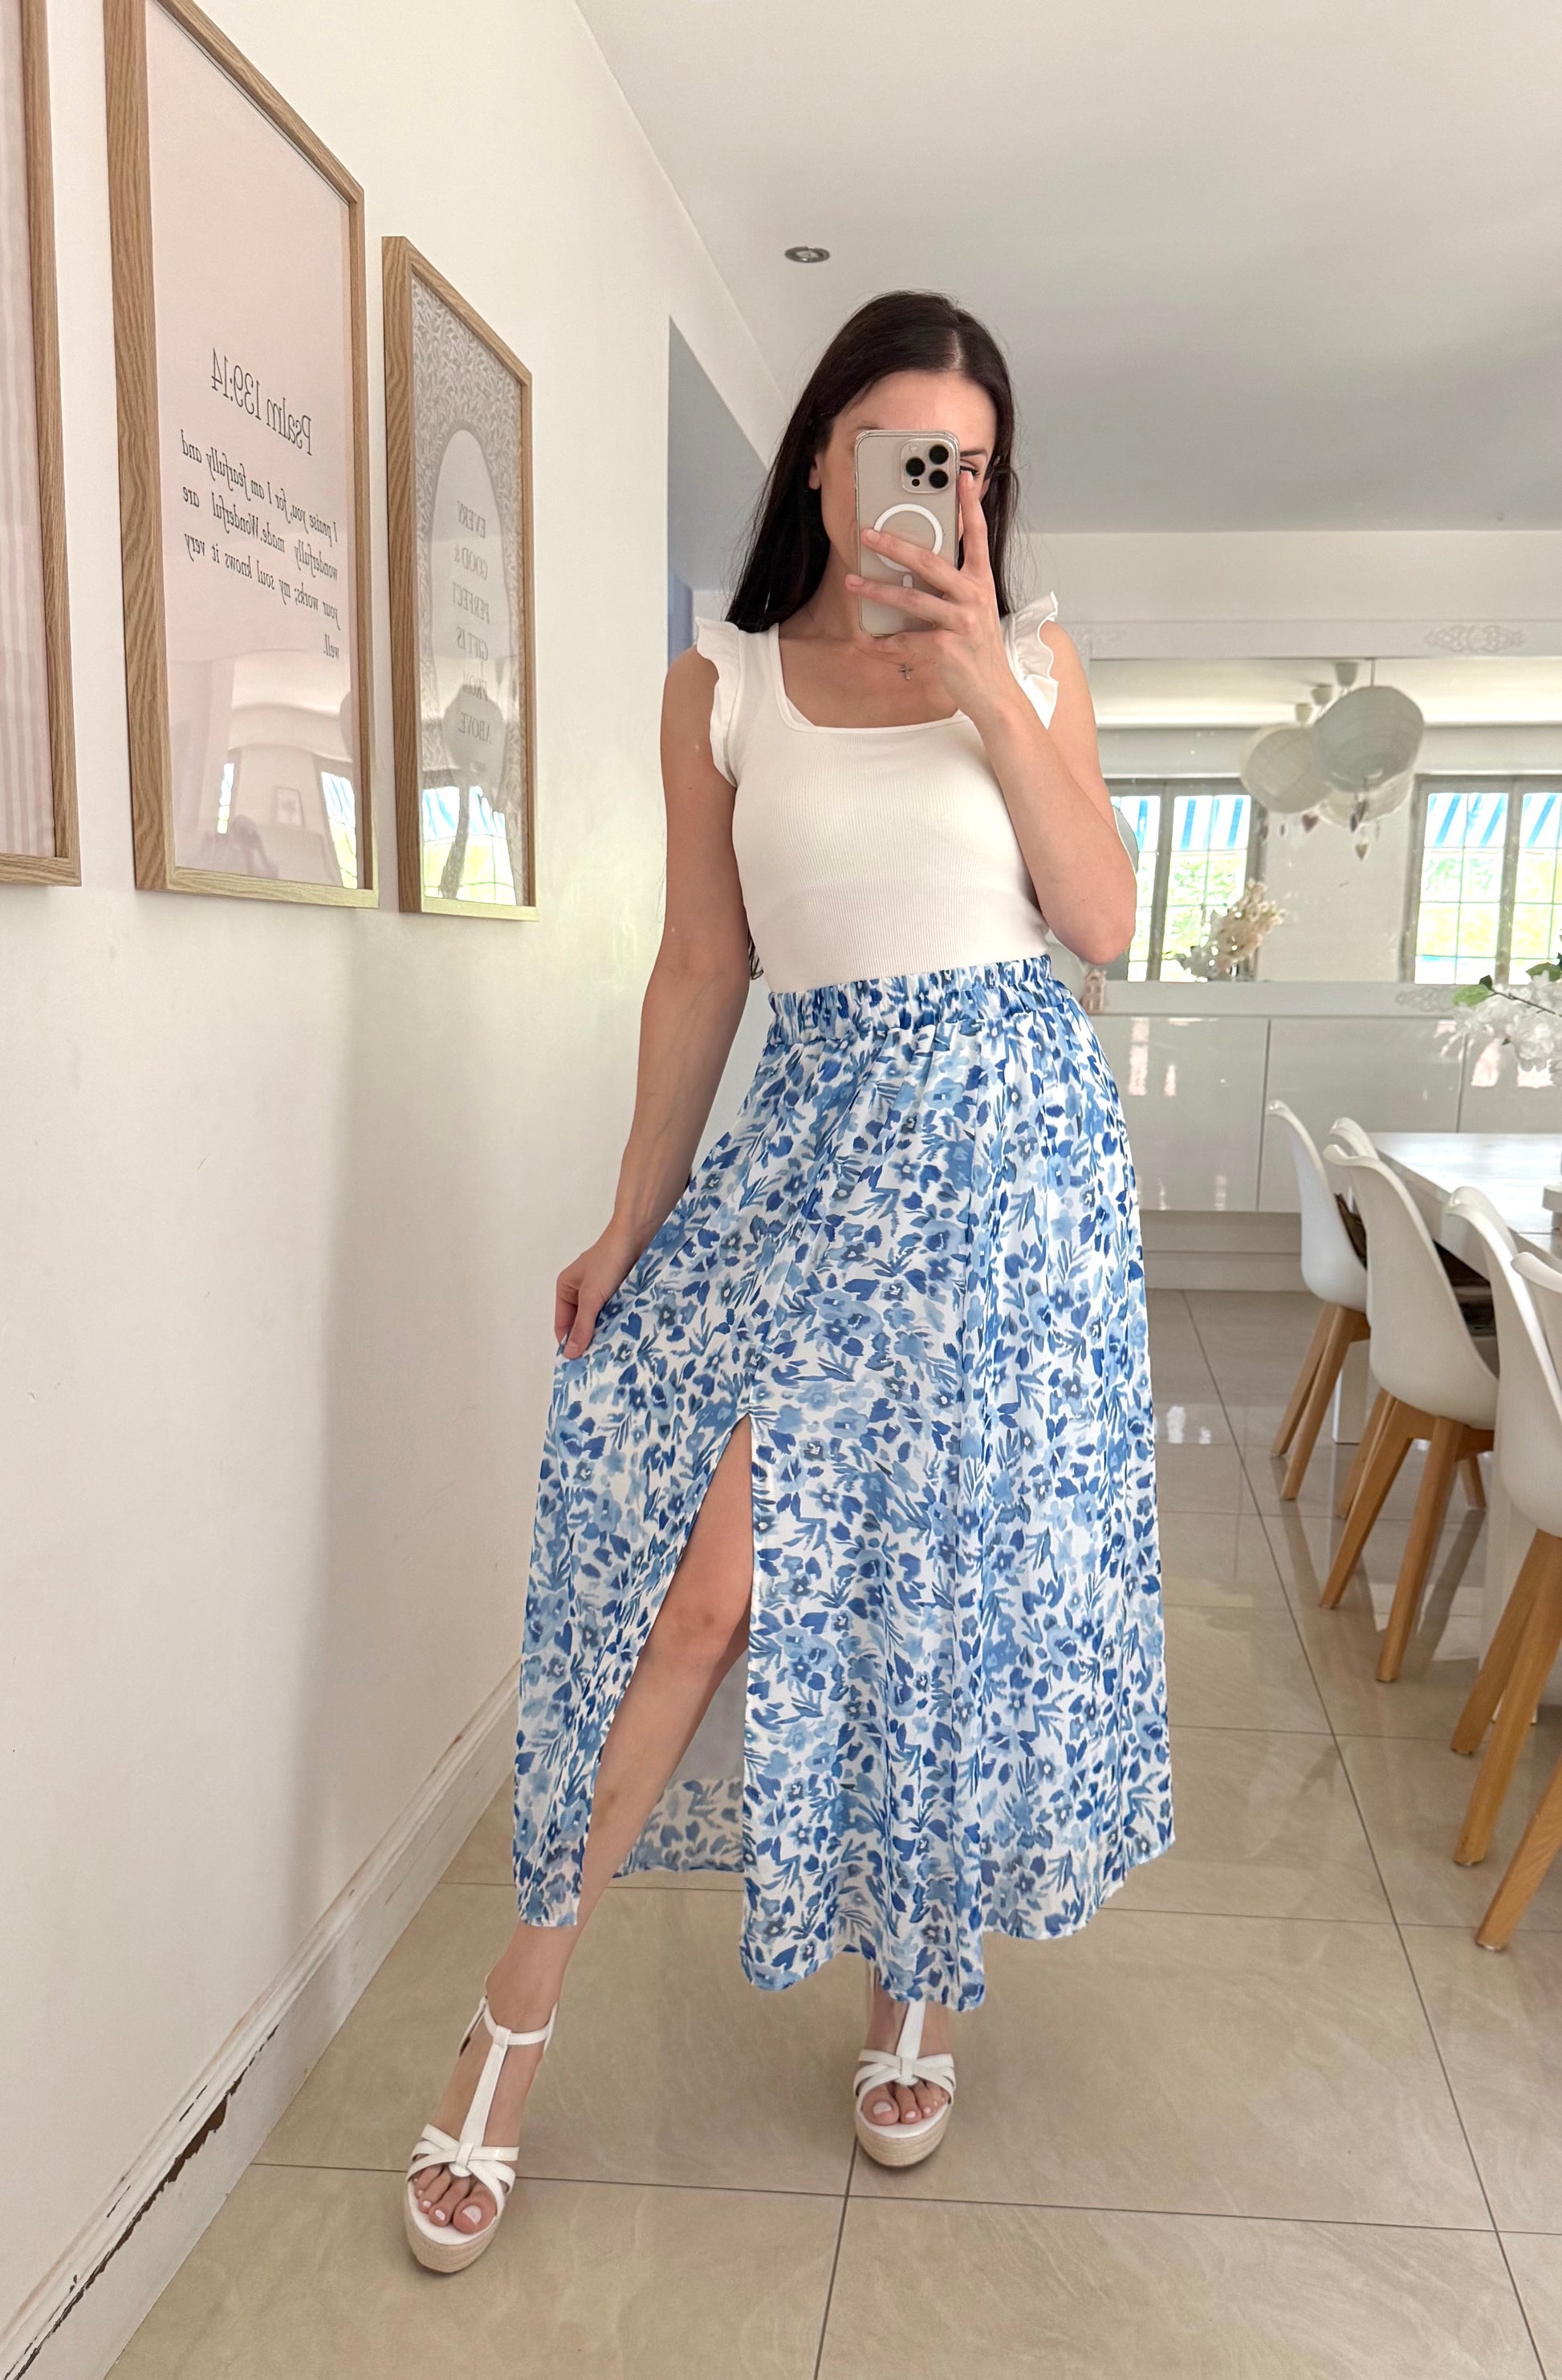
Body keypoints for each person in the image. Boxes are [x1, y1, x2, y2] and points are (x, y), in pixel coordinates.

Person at [405, 290, 1174, 2271]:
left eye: (969, 467)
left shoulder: (1035, 662)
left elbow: (1100, 922)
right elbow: (700, 971)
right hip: (818, 1170)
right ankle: (511, 2017)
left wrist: (987, 682)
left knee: (943, 1599)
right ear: (822, 454)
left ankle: (919, 1985)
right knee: (704, 1591)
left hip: (1010, 1187)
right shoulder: (721, 686)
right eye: (905, 451)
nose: (936, 490)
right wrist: (627, 1219)